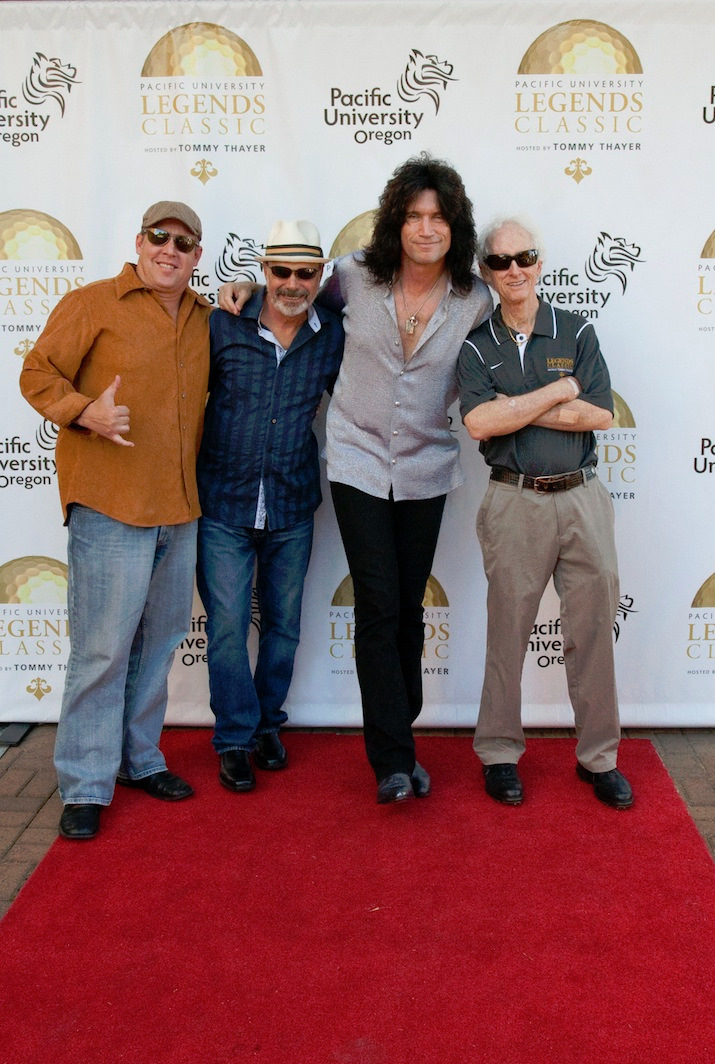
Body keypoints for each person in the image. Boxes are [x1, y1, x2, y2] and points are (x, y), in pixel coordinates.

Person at [221, 154, 492, 803]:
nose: (426, 228)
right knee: (377, 602)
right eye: (414, 215)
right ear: (396, 220)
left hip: (427, 465)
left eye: (438, 216)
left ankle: (401, 710)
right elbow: (295, 290)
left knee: (407, 605)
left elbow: (509, 337)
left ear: (453, 226)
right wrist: (242, 289)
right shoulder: (353, 277)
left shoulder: (473, 299)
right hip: (356, 459)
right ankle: (393, 760)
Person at [19, 200, 211, 839]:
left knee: (156, 648)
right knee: (101, 651)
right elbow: (36, 371)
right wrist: (82, 411)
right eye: (160, 237)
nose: (170, 250)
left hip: (180, 510)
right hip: (110, 507)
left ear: (196, 256)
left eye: (184, 244)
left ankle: (139, 759)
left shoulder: (207, 317)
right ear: (139, 241)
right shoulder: (92, 302)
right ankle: (83, 783)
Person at [456, 216, 633, 809]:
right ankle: (500, 752)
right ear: (486, 271)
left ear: (540, 261)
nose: (514, 270)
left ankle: (599, 757)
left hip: (582, 499)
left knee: (592, 632)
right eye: (501, 262)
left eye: (524, 257)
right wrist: (559, 392)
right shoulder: (477, 344)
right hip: (514, 501)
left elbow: (602, 415)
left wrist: (518, 406)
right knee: (507, 632)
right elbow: (479, 422)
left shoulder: (575, 330)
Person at [196, 220, 343, 793]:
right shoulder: (224, 324)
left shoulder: (331, 333)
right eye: (281, 271)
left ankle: (265, 725)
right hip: (224, 504)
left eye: (305, 272)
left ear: (320, 276)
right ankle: (234, 736)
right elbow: (182, 394)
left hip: (292, 503)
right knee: (229, 628)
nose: (292, 283)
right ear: (263, 271)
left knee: (283, 627)